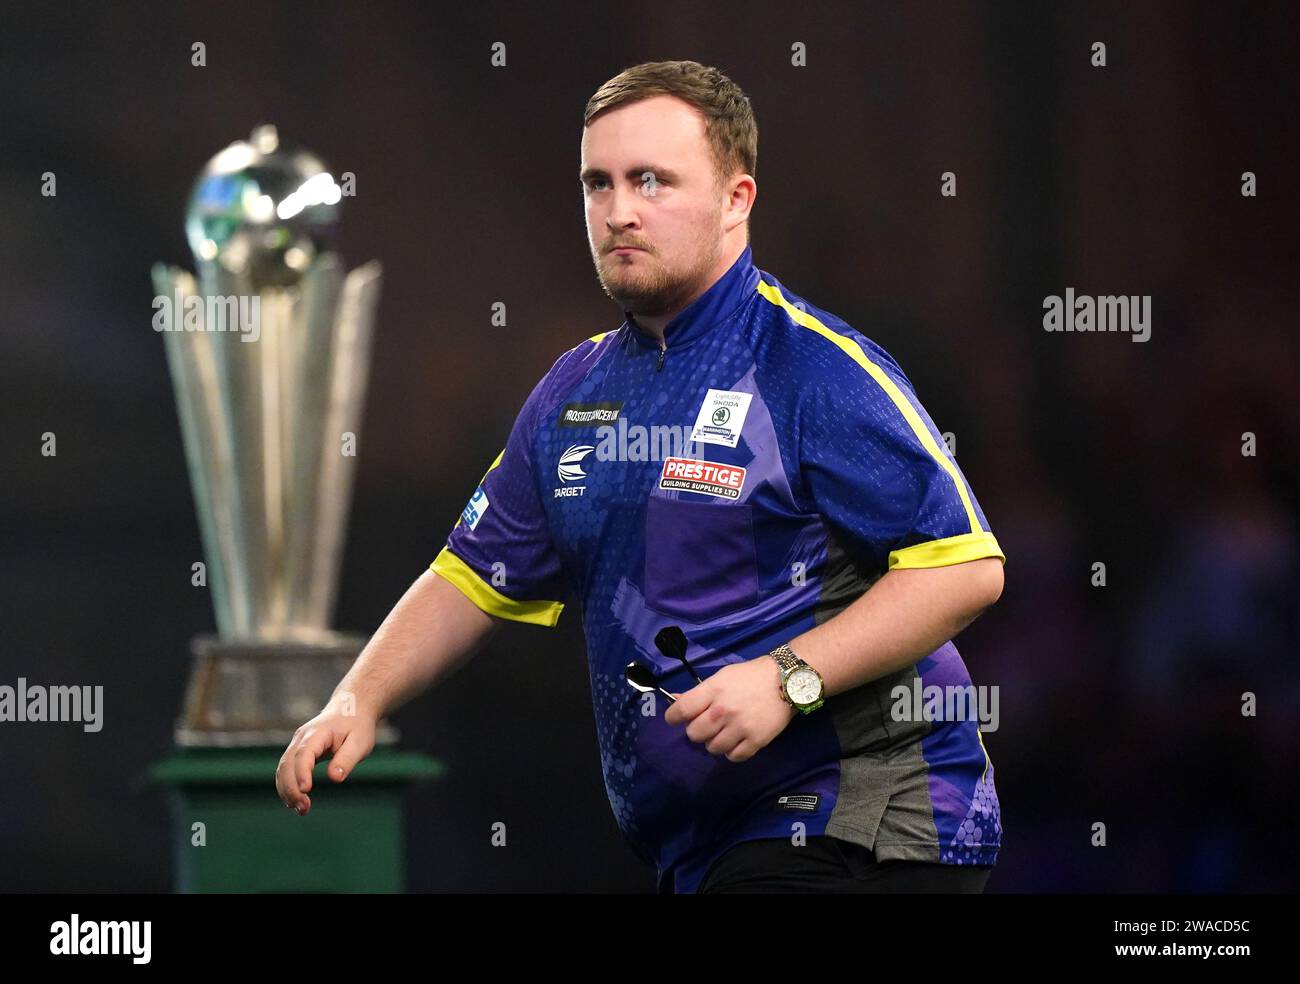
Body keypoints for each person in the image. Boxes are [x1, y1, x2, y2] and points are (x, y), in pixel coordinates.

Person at [276, 59, 1006, 894]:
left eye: (653, 181)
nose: (619, 212)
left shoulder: (812, 368)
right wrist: (357, 700)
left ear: (737, 200)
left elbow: (964, 569)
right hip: (705, 845)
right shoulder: (572, 393)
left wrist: (786, 678)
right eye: (599, 183)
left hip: (870, 818)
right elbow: (473, 575)